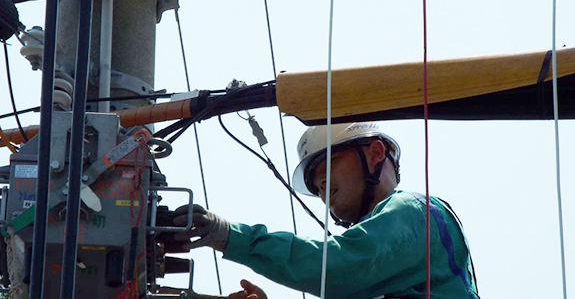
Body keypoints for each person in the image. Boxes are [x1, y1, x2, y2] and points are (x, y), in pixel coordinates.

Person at [172, 122, 479, 298]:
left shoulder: (414, 212)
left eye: (327, 165)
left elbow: (339, 264)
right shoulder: (374, 278)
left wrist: (231, 237)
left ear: (374, 154)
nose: (322, 187)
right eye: (315, 184)